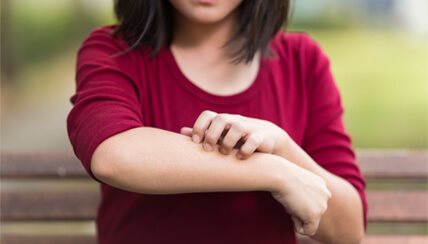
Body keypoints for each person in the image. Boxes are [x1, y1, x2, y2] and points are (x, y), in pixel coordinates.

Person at [67, 0, 367, 243]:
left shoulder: (303, 60)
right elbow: (114, 155)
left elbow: (350, 231)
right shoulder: (113, 51)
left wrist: (284, 148)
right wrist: (275, 171)